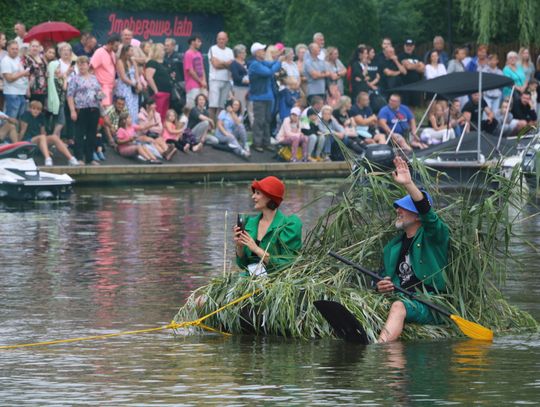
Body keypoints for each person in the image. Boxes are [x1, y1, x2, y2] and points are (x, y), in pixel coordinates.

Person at [373, 156, 449, 343]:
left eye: (404, 208)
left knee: (399, 306)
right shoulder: (392, 246)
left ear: (417, 217)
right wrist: (379, 286)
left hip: (429, 302)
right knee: (395, 303)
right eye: (397, 208)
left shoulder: (434, 237)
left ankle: (379, 348)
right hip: (398, 298)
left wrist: (408, 183)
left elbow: (428, 214)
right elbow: (381, 278)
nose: (398, 211)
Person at [234, 176, 302, 276]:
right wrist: (239, 246)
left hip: (276, 281)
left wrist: (256, 250)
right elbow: (243, 265)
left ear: (270, 197)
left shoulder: (289, 225)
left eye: (258, 193)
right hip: (249, 280)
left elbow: (288, 265)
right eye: (254, 193)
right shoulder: (250, 223)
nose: (253, 197)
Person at [67, 56, 103, 165]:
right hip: (81, 109)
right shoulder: (74, 79)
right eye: (79, 64)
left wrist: (102, 101)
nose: (82, 66)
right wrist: (72, 110)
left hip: (94, 108)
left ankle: (90, 158)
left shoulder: (94, 78)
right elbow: (69, 95)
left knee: (92, 134)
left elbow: (99, 93)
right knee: (79, 134)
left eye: (84, 63)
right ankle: (79, 157)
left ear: (88, 65)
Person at [19, 100, 79, 166]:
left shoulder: (41, 116)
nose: (36, 111)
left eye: (38, 109)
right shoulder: (26, 115)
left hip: (39, 140)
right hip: (28, 141)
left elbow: (43, 132)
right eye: (33, 109)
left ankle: (71, 158)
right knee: (42, 137)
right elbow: (22, 131)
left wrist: (45, 146)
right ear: (30, 109)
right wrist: (18, 144)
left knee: (54, 137)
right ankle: (47, 158)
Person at [249, 42, 281, 152]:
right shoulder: (255, 64)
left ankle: (266, 143)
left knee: (267, 120)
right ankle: (257, 143)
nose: (264, 52)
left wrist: (278, 59)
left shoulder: (262, 63)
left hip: (268, 97)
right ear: (256, 53)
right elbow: (269, 72)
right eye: (262, 50)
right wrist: (279, 62)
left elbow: (271, 64)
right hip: (259, 97)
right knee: (259, 120)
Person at [208, 31, 234, 121]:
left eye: (223, 39)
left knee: (221, 105)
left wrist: (221, 63)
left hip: (226, 80)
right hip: (215, 80)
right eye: (219, 39)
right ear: (217, 39)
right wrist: (226, 64)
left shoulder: (230, 51)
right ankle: (211, 125)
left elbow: (231, 65)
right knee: (213, 105)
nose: (221, 41)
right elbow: (215, 65)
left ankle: (219, 126)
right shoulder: (213, 49)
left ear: (227, 39)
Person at [1, 40, 29, 120]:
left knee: (20, 117)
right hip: (12, 93)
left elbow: (19, 73)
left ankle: (15, 132)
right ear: (8, 49)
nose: (15, 51)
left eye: (16, 49)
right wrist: (23, 73)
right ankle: (7, 132)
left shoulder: (17, 59)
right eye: (12, 49)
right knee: (11, 118)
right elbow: (9, 78)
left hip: (20, 92)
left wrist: (25, 73)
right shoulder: (6, 61)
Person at [90, 34, 121, 107]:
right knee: (105, 108)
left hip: (111, 87)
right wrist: (93, 87)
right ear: (110, 44)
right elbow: (91, 68)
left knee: (107, 108)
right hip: (102, 88)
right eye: (116, 46)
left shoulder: (113, 53)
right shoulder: (99, 52)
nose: (117, 48)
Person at [145, 43, 172, 121]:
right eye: (162, 49)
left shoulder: (165, 63)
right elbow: (149, 77)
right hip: (158, 93)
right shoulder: (152, 62)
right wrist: (156, 91)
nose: (164, 51)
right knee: (157, 113)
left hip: (167, 92)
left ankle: (162, 129)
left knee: (164, 113)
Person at [115, 45, 141, 124]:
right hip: (125, 87)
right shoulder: (120, 61)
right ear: (126, 52)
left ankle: (133, 127)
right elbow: (123, 77)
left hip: (133, 87)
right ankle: (124, 127)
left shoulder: (133, 61)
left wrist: (138, 83)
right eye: (131, 50)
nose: (132, 52)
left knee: (134, 107)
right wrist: (134, 83)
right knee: (127, 107)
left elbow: (136, 74)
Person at [399, 39, 424, 107]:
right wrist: (417, 64)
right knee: (405, 106)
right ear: (404, 46)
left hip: (416, 85)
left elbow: (422, 69)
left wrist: (411, 66)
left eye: (410, 46)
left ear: (413, 47)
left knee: (415, 106)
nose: (409, 47)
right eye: (407, 45)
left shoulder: (417, 56)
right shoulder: (401, 56)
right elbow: (408, 67)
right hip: (405, 85)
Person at [183, 35, 207, 108]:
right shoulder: (188, 54)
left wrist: (204, 81)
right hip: (192, 85)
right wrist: (200, 81)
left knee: (202, 106)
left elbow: (202, 68)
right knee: (191, 107)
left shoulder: (199, 54)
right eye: (198, 41)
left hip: (201, 84)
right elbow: (190, 70)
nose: (200, 43)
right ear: (193, 42)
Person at [230, 44, 251, 125]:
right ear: (238, 54)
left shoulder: (247, 63)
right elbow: (236, 77)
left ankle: (254, 129)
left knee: (251, 109)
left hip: (249, 88)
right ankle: (238, 126)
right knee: (240, 109)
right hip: (239, 88)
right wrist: (245, 80)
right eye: (243, 52)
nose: (245, 54)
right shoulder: (234, 64)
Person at [22, 40, 48, 106]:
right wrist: (27, 89)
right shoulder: (26, 58)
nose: (35, 48)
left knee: (40, 109)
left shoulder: (42, 58)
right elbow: (25, 75)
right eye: (33, 46)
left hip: (43, 89)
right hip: (32, 88)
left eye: (37, 46)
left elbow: (45, 71)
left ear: (39, 48)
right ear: (30, 47)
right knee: (32, 109)